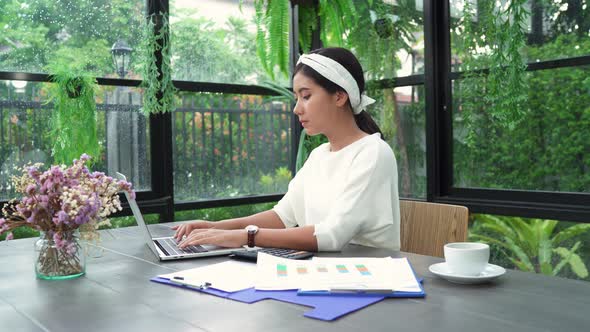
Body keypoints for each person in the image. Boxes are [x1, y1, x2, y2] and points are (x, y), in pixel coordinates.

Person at [174, 47, 400, 252]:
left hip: (366, 281)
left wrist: (247, 237)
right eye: (296, 98)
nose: (296, 109)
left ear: (340, 96)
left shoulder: (373, 153)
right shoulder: (319, 155)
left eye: (306, 96)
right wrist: (215, 228)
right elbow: (282, 216)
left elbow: (332, 235)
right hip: (321, 275)